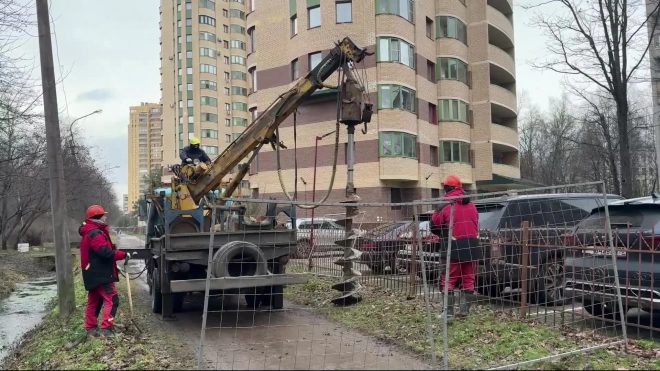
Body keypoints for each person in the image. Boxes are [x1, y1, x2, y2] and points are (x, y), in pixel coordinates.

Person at [431, 175, 481, 321]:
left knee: (448, 280)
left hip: (452, 247)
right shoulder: (472, 205)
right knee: (468, 279)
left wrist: (436, 211)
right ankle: (464, 311)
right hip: (472, 246)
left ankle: (448, 313)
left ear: (446, 188)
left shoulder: (445, 205)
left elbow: (435, 226)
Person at [79, 204, 128, 338]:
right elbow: (104, 252)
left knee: (94, 301)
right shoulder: (95, 233)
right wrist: (122, 255)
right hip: (100, 273)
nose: (106, 217)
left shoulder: (90, 231)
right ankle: (106, 330)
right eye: (104, 215)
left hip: (92, 273)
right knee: (112, 299)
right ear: (97, 217)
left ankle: (91, 329)